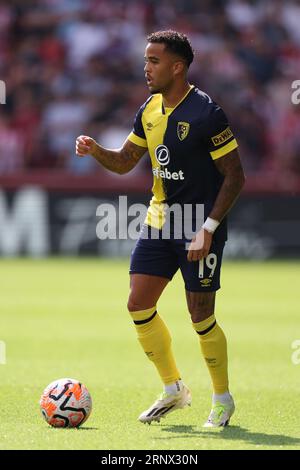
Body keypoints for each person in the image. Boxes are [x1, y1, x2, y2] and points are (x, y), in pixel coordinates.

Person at [76, 30, 245, 427]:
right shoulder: (149, 108)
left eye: (154, 61)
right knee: (138, 304)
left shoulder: (207, 113)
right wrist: (96, 149)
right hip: (159, 219)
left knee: (199, 314)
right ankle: (174, 390)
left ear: (177, 67)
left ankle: (222, 398)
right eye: (145, 60)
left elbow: (235, 176)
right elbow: (125, 161)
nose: (146, 68)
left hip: (198, 223)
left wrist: (208, 227)